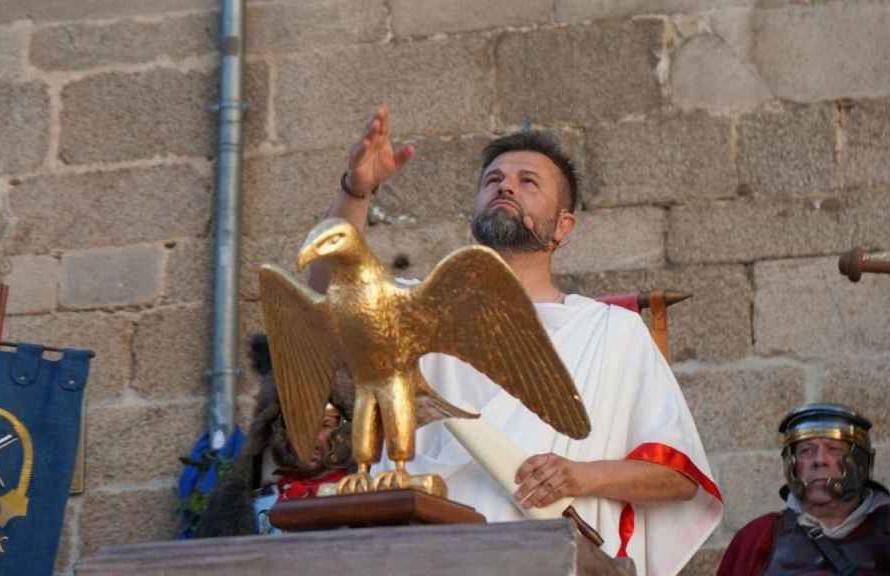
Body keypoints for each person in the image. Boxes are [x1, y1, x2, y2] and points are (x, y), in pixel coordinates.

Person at [308, 105, 723, 576]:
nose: (505, 187)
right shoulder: (414, 308)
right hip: (424, 555)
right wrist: (356, 190)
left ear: (563, 226)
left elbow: (677, 477)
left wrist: (577, 476)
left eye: (529, 182)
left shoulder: (612, 331)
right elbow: (330, 287)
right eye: (493, 180)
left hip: (551, 558)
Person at [717, 403, 890, 575]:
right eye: (806, 451)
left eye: (834, 449)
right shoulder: (757, 538)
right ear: (792, 464)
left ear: (860, 461)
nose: (819, 460)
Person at [193, 335, 354, 538]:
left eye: (323, 425)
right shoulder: (239, 503)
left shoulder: (367, 493)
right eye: (295, 425)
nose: (307, 438)